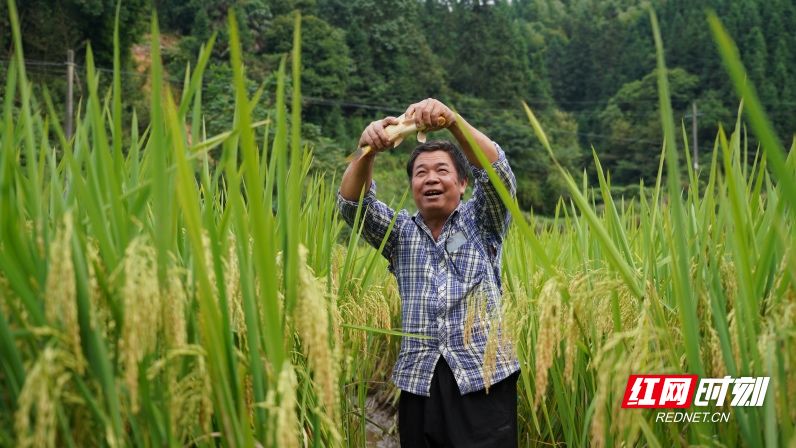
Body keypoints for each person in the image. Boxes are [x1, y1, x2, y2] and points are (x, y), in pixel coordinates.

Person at [337, 98, 520, 447]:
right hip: (419, 382)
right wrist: (367, 151)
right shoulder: (400, 234)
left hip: (482, 379)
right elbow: (352, 207)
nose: (431, 179)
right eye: (421, 173)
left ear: (463, 184)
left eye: (442, 171)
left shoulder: (482, 222)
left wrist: (452, 120)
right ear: (412, 187)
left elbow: (498, 174)